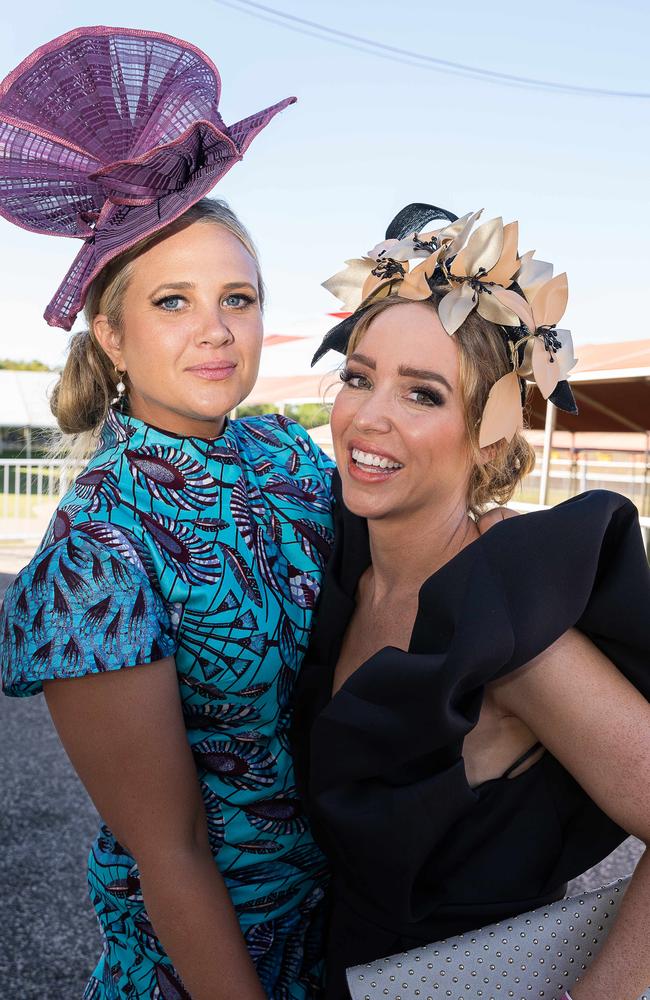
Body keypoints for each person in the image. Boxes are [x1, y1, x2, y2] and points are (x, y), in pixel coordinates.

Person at [0, 27, 335, 999]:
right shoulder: (96, 551)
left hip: (352, 935)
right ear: (110, 332)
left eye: (238, 297)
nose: (217, 330)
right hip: (208, 969)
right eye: (174, 302)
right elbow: (173, 851)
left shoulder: (286, 453)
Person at [293, 203, 650, 1000]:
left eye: (423, 395)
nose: (368, 416)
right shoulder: (348, 561)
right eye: (358, 377)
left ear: (487, 433)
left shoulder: (508, 618)